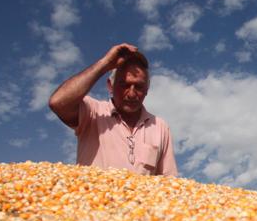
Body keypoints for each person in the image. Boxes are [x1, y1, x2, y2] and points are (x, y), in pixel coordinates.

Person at [48, 43, 177, 176]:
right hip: (92, 196)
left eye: (138, 86)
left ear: (147, 90)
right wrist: (105, 63)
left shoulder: (160, 127)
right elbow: (58, 102)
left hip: (142, 198)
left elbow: (169, 182)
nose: (132, 94)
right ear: (110, 86)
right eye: (124, 85)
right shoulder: (93, 112)